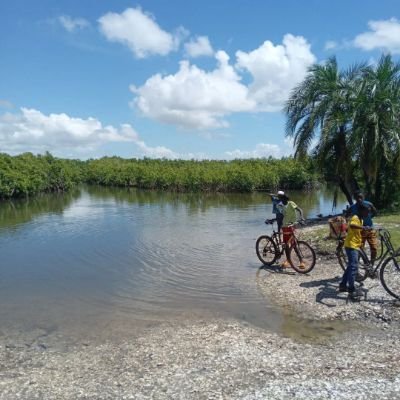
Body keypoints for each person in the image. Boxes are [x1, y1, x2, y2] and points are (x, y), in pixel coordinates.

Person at [339, 202, 371, 300]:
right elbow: (352, 226)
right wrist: (363, 227)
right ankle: (351, 289)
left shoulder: (360, 219)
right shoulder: (355, 218)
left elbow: (353, 231)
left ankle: (343, 285)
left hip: (354, 244)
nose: (368, 214)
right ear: (361, 211)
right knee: (353, 267)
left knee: (350, 266)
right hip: (351, 246)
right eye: (366, 212)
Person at [346, 191, 378, 264]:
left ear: (363, 197)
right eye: (357, 198)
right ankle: (359, 265)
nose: (359, 199)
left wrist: (370, 217)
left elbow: (375, 212)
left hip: (370, 229)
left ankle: (371, 264)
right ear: (355, 198)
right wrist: (348, 223)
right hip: (360, 231)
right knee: (360, 249)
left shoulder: (369, 204)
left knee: (374, 248)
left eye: (361, 197)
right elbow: (346, 216)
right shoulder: (352, 207)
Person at [277, 195, 305, 268]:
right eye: (280, 199)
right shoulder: (280, 206)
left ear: (286, 199)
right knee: (286, 245)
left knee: (294, 244)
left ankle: (301, 261)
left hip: (292, 225)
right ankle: (288, 260)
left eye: (283, 199)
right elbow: (281, 216)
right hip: (284, 226)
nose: (282, 200)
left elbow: (300, 210)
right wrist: (278, 224)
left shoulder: (291, 203)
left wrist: (301, 217)